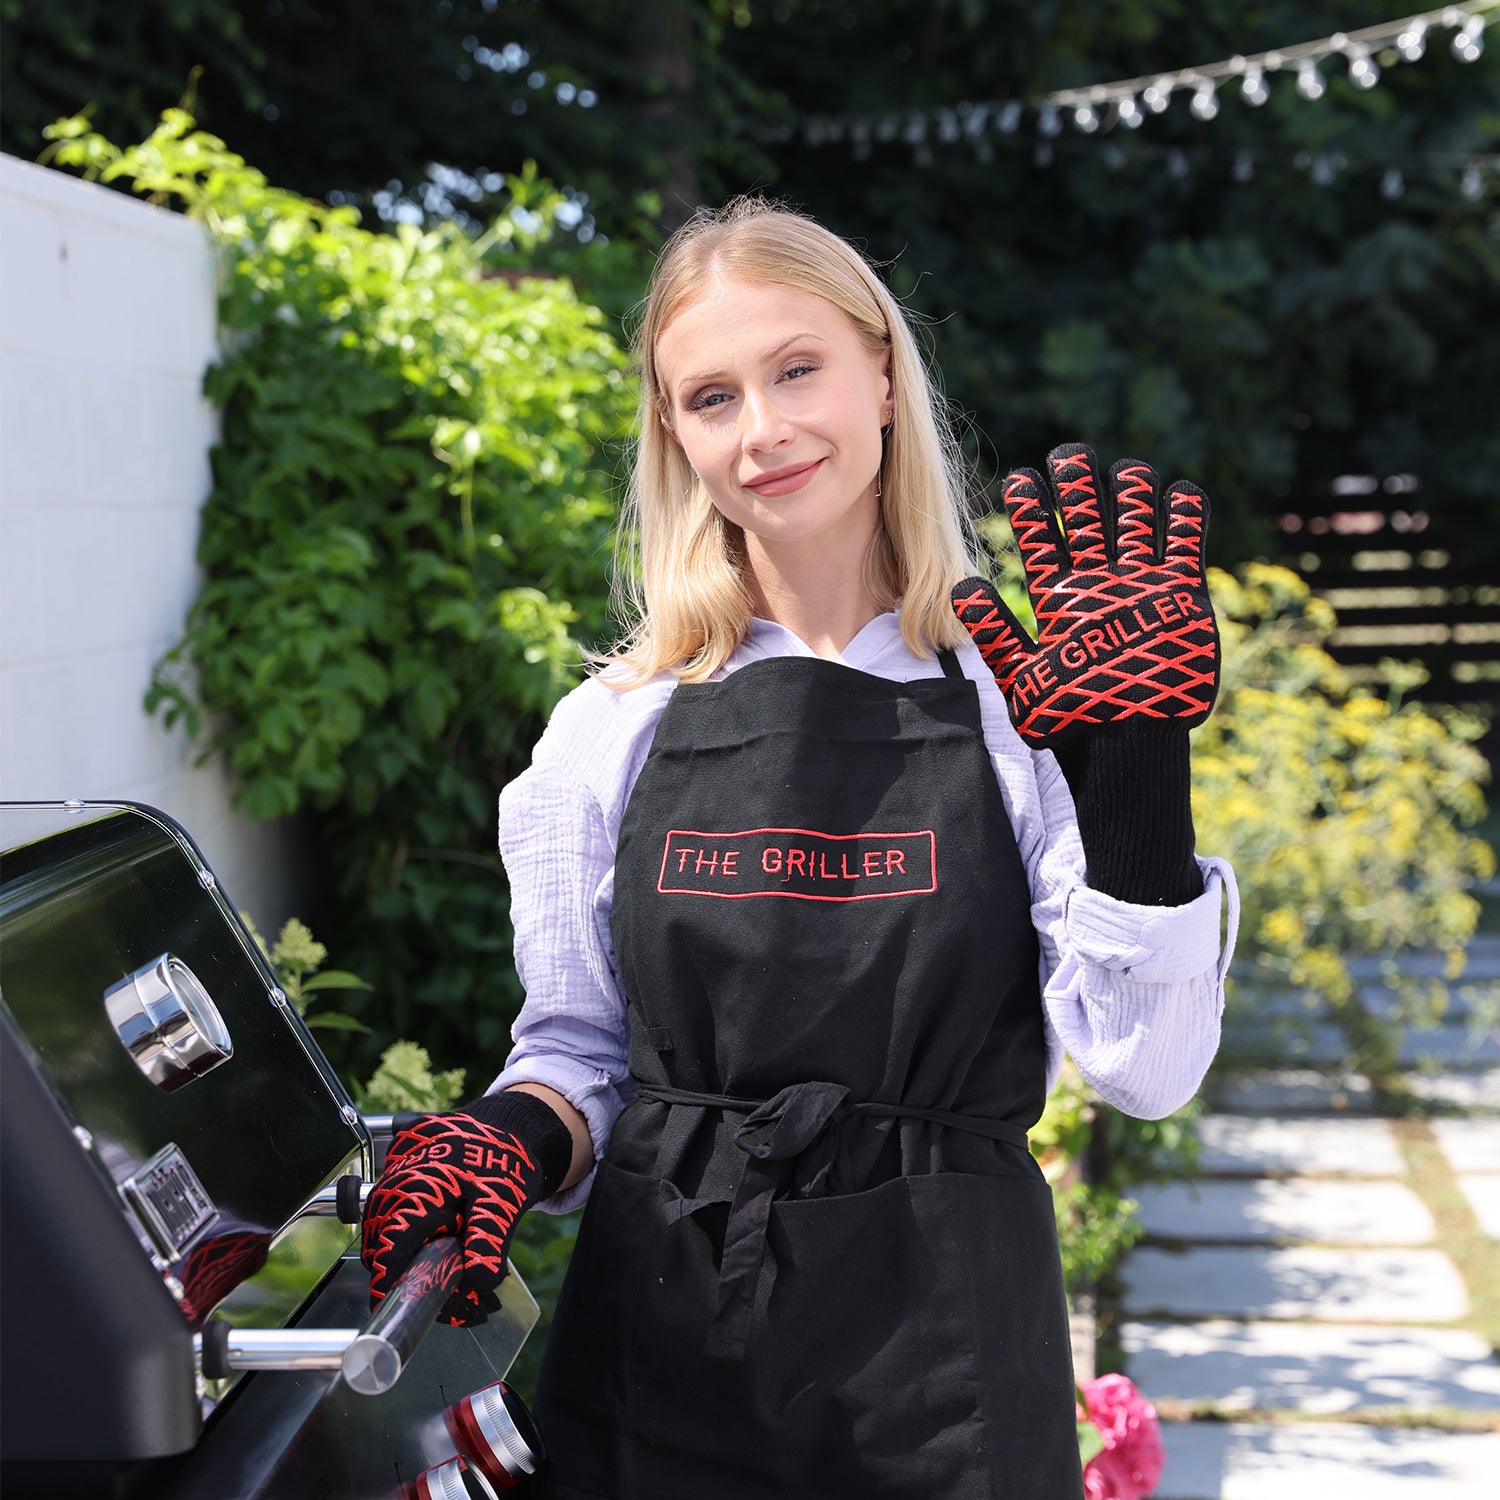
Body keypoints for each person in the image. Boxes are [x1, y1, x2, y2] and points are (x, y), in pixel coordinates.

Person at [362, 197, 1239, 1499]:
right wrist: (507, 1139)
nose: (762, 430)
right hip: (659, 1344)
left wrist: (1140, 789)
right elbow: (579, 1057)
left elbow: (1149, 1072)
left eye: (796, 370)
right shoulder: (608, 729)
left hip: (947, 1356)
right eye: (710, 397)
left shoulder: (1024, 706)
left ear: (883, 372)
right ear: (674, 435)